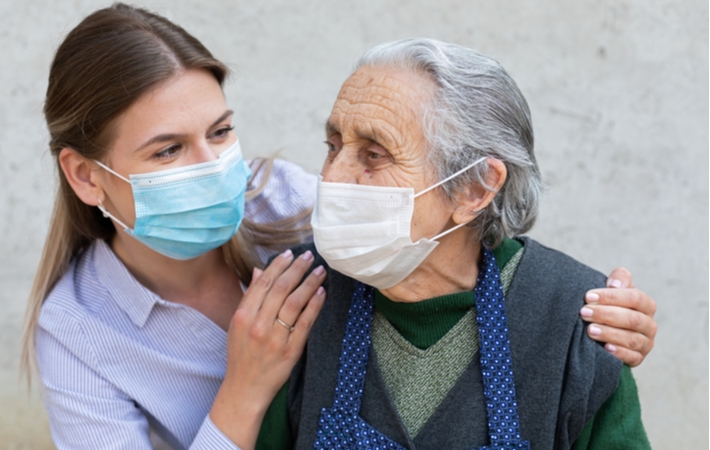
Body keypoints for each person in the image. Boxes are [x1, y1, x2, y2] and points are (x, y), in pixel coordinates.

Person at [22, 4, 655, 450]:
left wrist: (597, 315)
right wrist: (244, 390)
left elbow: (461, 240)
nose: (337, 184)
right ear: (87, 176)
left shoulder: (290, 204)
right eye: (167, 151)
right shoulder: (76, 332)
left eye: (220, 132)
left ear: (474, 187)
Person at [256, 39, 651, 449]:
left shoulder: (574, 324)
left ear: (475, 189)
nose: (333, 177)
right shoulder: (298, 297)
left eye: (374, 154)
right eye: (333, 146)